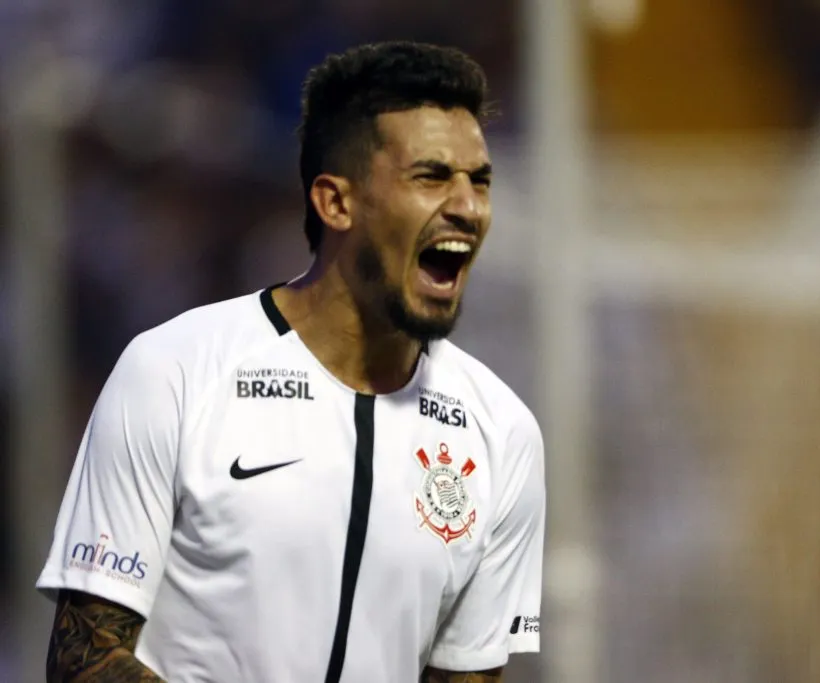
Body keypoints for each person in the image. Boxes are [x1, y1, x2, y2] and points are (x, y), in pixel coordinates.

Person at [37, 41, 545, 683]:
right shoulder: (173, 373)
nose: (468, 207)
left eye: (480, 181)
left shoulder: (502, 431)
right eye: (431, 177)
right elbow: (81, 659)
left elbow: (469, 673)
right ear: (335, 203)